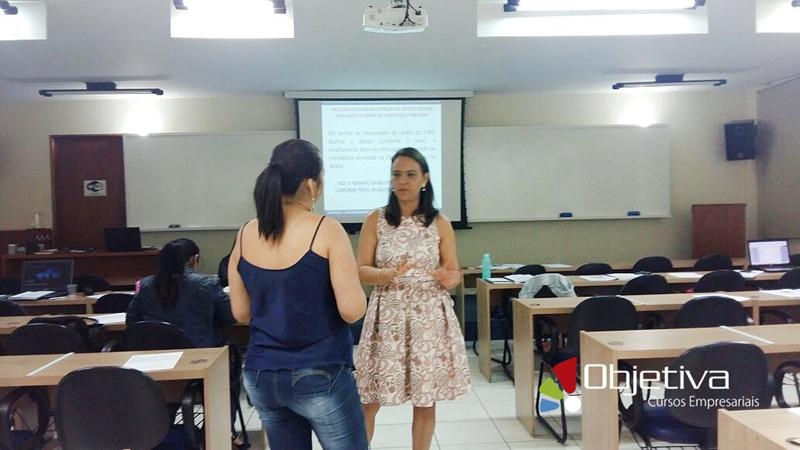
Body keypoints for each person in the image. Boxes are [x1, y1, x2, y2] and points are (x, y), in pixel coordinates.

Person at [227, 139, 369, 450]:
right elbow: (352, 310)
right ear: (310, 184)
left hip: (262, 374)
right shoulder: (326, 229)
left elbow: (241, 313)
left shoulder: (246, 232)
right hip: (319, 370)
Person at [354, 147, 471, 450]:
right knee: (370, 397)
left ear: (424, 179)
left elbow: (453, 270)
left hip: (428, 317)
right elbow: (361, 269)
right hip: (387, 316)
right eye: (397, 175)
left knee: (425, 398)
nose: (402, 181)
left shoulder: (439, 221)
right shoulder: (376, 219)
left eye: (410, 174)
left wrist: (449, 277)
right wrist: (386, 274)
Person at [127, 237, 236, 348]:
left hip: (155, 350)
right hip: (200, 349)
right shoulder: (209, 283)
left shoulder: (145, 284)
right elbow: (229, 318)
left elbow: (131, 320)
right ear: (194, 259)